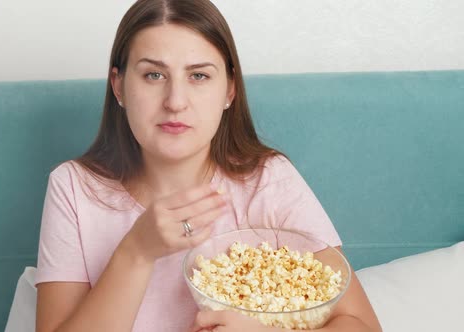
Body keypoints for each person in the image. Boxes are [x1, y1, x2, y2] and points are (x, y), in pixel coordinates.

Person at [34, 0, 382, 331]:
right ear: (119, 87)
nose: (175, 102)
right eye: (154, 75)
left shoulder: (268, 181)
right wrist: (136, 251)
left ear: (229, 90)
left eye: (199, 76)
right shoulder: (73, 188)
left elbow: (363, 326)